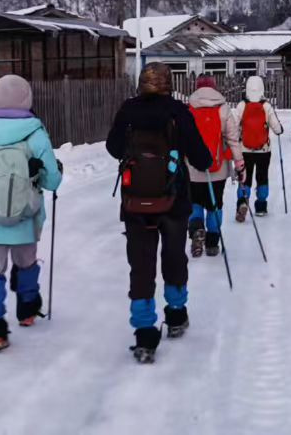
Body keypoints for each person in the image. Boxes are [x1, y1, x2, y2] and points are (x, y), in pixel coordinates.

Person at [106, 63, 213, 364]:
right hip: (173, 200)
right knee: (174, 257)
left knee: (141, 265)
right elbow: (201, 157)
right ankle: (176, 314)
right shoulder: (178, 112)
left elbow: (113, 148)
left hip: (135, 201)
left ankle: (144, 333)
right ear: (168, 83)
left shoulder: (128, 110)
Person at [0, 74, 63, 353]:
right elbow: (52, 181)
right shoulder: (35, 133)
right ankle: (27, 310)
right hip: (26, 219)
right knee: (26, 264)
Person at [186, 75, 238, 259]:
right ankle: (212, 243)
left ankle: (197, 229)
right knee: (215, 204)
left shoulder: (189, 109)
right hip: (218, 169)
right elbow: (233, 139)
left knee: (195, 202)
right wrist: (239, 162)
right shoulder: (223, 108)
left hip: (193, 169)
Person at [234, 74, 284, 219]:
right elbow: (277, 128)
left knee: (245, 178)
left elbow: (234, 125)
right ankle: (261, 206)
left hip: (245, 150)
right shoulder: (266, 106)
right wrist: (280, 129)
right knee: (262, 177)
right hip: (263, 150)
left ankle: (242, 201)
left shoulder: (242, 105)